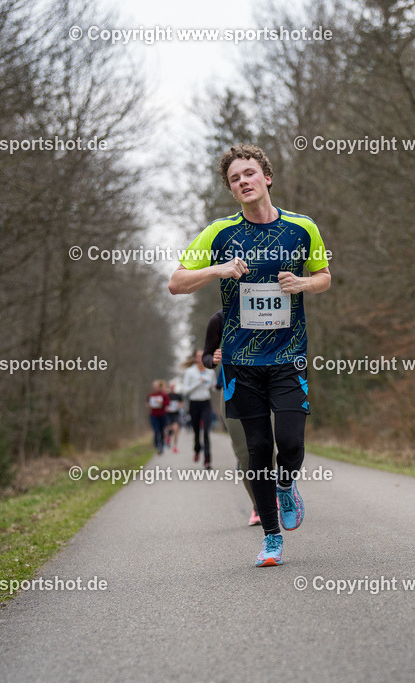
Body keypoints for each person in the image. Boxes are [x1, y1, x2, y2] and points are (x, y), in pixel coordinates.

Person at [169, 144, 331, 567]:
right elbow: (176, 282)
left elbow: (325, 277)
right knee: (257, 448)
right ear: (231, 189)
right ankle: (272, 539)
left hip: (288, 354)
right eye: (234, 178)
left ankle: (285, 484)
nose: (242, 181)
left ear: (267, 178)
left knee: (290, 442)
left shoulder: (302, 228)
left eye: (249, 173)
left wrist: (302, 284)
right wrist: (216, 270)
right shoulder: (219, 233)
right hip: (241, 363)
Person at [202, 309, 275, 526]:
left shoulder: (269, 309)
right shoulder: (220, 319)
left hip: (266, 387)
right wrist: (212, 359)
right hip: (232, 390)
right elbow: (207, 355)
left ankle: (275, 495)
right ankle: (259, 506)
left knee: (268, 448)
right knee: (244, 453)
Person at [180, 350, 216, 468]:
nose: (201, 358)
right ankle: (197, 449)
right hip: (194, 403)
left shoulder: (210, 371)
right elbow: (185, 391)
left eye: (203, 356)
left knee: (206, 431)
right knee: (196, 431)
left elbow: (214, 387)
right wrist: (198, 383)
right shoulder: (190, 372)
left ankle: (207, 459)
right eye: (199, 356)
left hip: (206, 402)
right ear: (195, 358)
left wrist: (216, 385)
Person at [146, 379, 169, 454]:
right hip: (153, 415)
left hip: (162, 415)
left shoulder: (163, 395)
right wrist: (148, 405)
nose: (155, 388)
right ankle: (157, 445)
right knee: (156, 431)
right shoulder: (150, 395)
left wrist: (161, 402)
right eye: (154, 387)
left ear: (159, 387)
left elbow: (167, 403)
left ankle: (161, 445)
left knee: (162, 431)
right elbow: (147, 403)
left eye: (157, 386)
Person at [163, 380, 182, 453]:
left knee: (176, 429)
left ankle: (175, 446)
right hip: (168, 415)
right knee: (167, 429)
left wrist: (179, 406)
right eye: (171, 387)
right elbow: (163, 404)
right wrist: (166, 407)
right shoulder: (166, 395)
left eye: (173, 387)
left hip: (175, 414)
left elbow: (181, 403)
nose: (172, 388)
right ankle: (167, 438)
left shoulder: (178, 396)